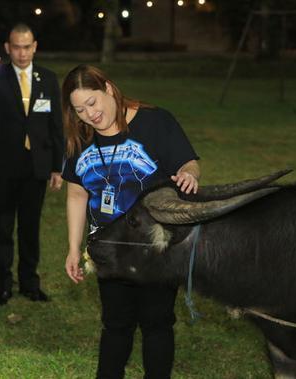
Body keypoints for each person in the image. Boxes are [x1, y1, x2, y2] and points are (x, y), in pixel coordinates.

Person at [62, 64, 200, 379]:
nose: (89, 115)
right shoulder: (81, 137)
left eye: (93, 103)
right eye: (79, 109)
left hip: (157, 247)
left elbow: (188, 162)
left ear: (108, 88)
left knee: (157, 323)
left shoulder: (155, 121)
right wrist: (73, 248)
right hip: (110, 249)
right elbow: (76, 195)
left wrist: (190, 173)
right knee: (115, 324)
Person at [0, 23, 64, 305]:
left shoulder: (47, 78)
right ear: (8, 48)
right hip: (4, 165)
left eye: (27, 46)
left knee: (30, 228)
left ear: (35, 47)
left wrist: (58, 167)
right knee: (2, 228)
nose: (22, 53)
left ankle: (30, 283)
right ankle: (2, 285)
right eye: (16, 47)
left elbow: (56, 126)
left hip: (37, 166)